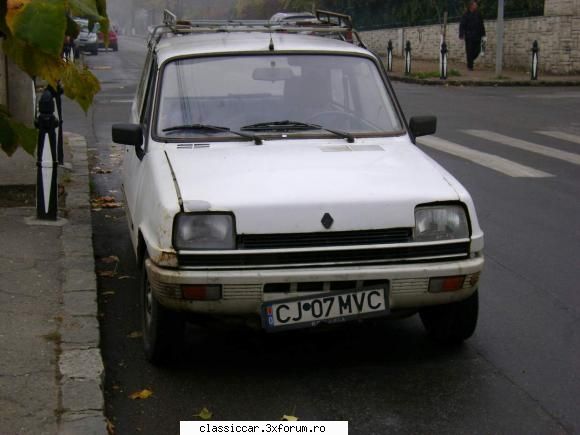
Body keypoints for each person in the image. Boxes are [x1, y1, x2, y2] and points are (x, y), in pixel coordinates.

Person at [459, 1, 486, 71]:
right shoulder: (466, 15)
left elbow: (481, 25)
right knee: (469, 51)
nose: (476, 6)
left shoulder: (478, 14)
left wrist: (483, 34)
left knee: (478, 50)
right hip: (469, 36)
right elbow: (462, 25)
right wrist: (461, 34)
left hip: (477, 35)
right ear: (471, 6)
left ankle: (470, 59)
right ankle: (470, 66)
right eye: (475, 5)